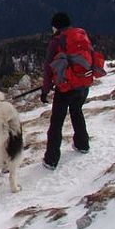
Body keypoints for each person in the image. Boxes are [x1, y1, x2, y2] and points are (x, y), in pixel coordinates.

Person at [41, 11, 90, 170]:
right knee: (77, 112)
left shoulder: (57, 41)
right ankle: (82, 144)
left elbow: (48, 67)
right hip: (83, 84)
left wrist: (45, 89)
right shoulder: (80, 35)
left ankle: (51, 159)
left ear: (55, 27)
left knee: (56, 123)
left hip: (66, 88)